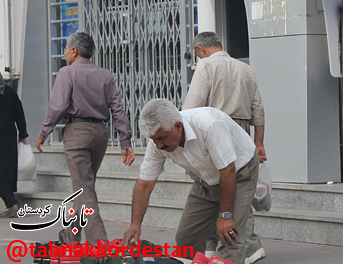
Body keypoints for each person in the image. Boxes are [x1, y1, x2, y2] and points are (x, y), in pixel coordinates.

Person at [122, 100, 259, 264]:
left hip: (239, 173)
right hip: (206, 179)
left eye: (161, 138)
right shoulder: (158, 144)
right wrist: (135, 224)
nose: (159, 145)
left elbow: (227, 171)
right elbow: (144, 185)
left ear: (178, 127)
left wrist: (225, 216)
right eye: (154, 139)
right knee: (186, 240)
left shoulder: (208, 125)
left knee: (230, 238)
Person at [35, 32, 135, 245]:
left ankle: (100, 246)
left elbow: (58, 107)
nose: (63, 53)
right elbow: (118, 109)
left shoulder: (66, 73)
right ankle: (71, 236)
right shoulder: (105, 74)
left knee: (84, 190)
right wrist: (125, 142)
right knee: (84, 187)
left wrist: (44, 132)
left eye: (65, 48)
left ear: (74, 50)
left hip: (77, 133)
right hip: (100, 134)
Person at [183, 31, 266, 264]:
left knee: (212, 186)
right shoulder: (244, 68)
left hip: (213, 130)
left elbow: (192, 107)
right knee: (239, 189)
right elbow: (258, 109)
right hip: (241, 132)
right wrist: (259, 143)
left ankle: (218, 246)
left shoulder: (206, 66)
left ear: (200, 50)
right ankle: (249, 246)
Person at [0, 76, 29, 218]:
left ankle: (11, 203)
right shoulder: (10, 92)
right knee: (5, 169)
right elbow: (19, 114)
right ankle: (11, 203)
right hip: (7, 137)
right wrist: (22, 134)